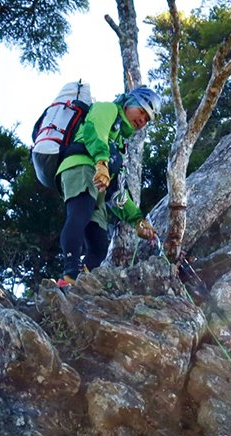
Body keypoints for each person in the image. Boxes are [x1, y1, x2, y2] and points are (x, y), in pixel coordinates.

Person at [55, 85, 163, 287]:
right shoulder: (107, 109)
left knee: (99, 245)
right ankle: (68, 276)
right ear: (130, 102)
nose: (142, 120)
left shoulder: (120, 142)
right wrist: (102, 163)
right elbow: (94, 130)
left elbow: (118, 190)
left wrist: (137, 220)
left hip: (99, 184)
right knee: (80, 214)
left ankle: (81, 283)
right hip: (80, 166)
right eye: (141, 111)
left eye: (147, 119)